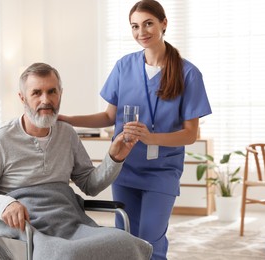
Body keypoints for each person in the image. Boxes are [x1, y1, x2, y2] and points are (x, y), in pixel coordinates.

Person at [58, 1, 212, 259]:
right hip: (126, 168)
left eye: (149, 23)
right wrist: (69, 119)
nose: (142, 31)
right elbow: (109, 116)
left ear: (164, 23)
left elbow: (189, 134)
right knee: (125, 237)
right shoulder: (124, 66)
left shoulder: (189, 74)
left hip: (163, 170)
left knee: (151, 240)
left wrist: (151, 138)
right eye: (135, 26)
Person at [0, 62, 153, 259]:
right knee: (67, 254)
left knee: (126, 242)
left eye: (51, 91)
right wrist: (4, 205)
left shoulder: (67, 133)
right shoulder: (1, 139)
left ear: (60, 93)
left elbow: (90, 185)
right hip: (24, 226)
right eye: (36, 93)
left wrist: (115, 157)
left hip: (68, 220)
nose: (46, 100)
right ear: (22, 98)